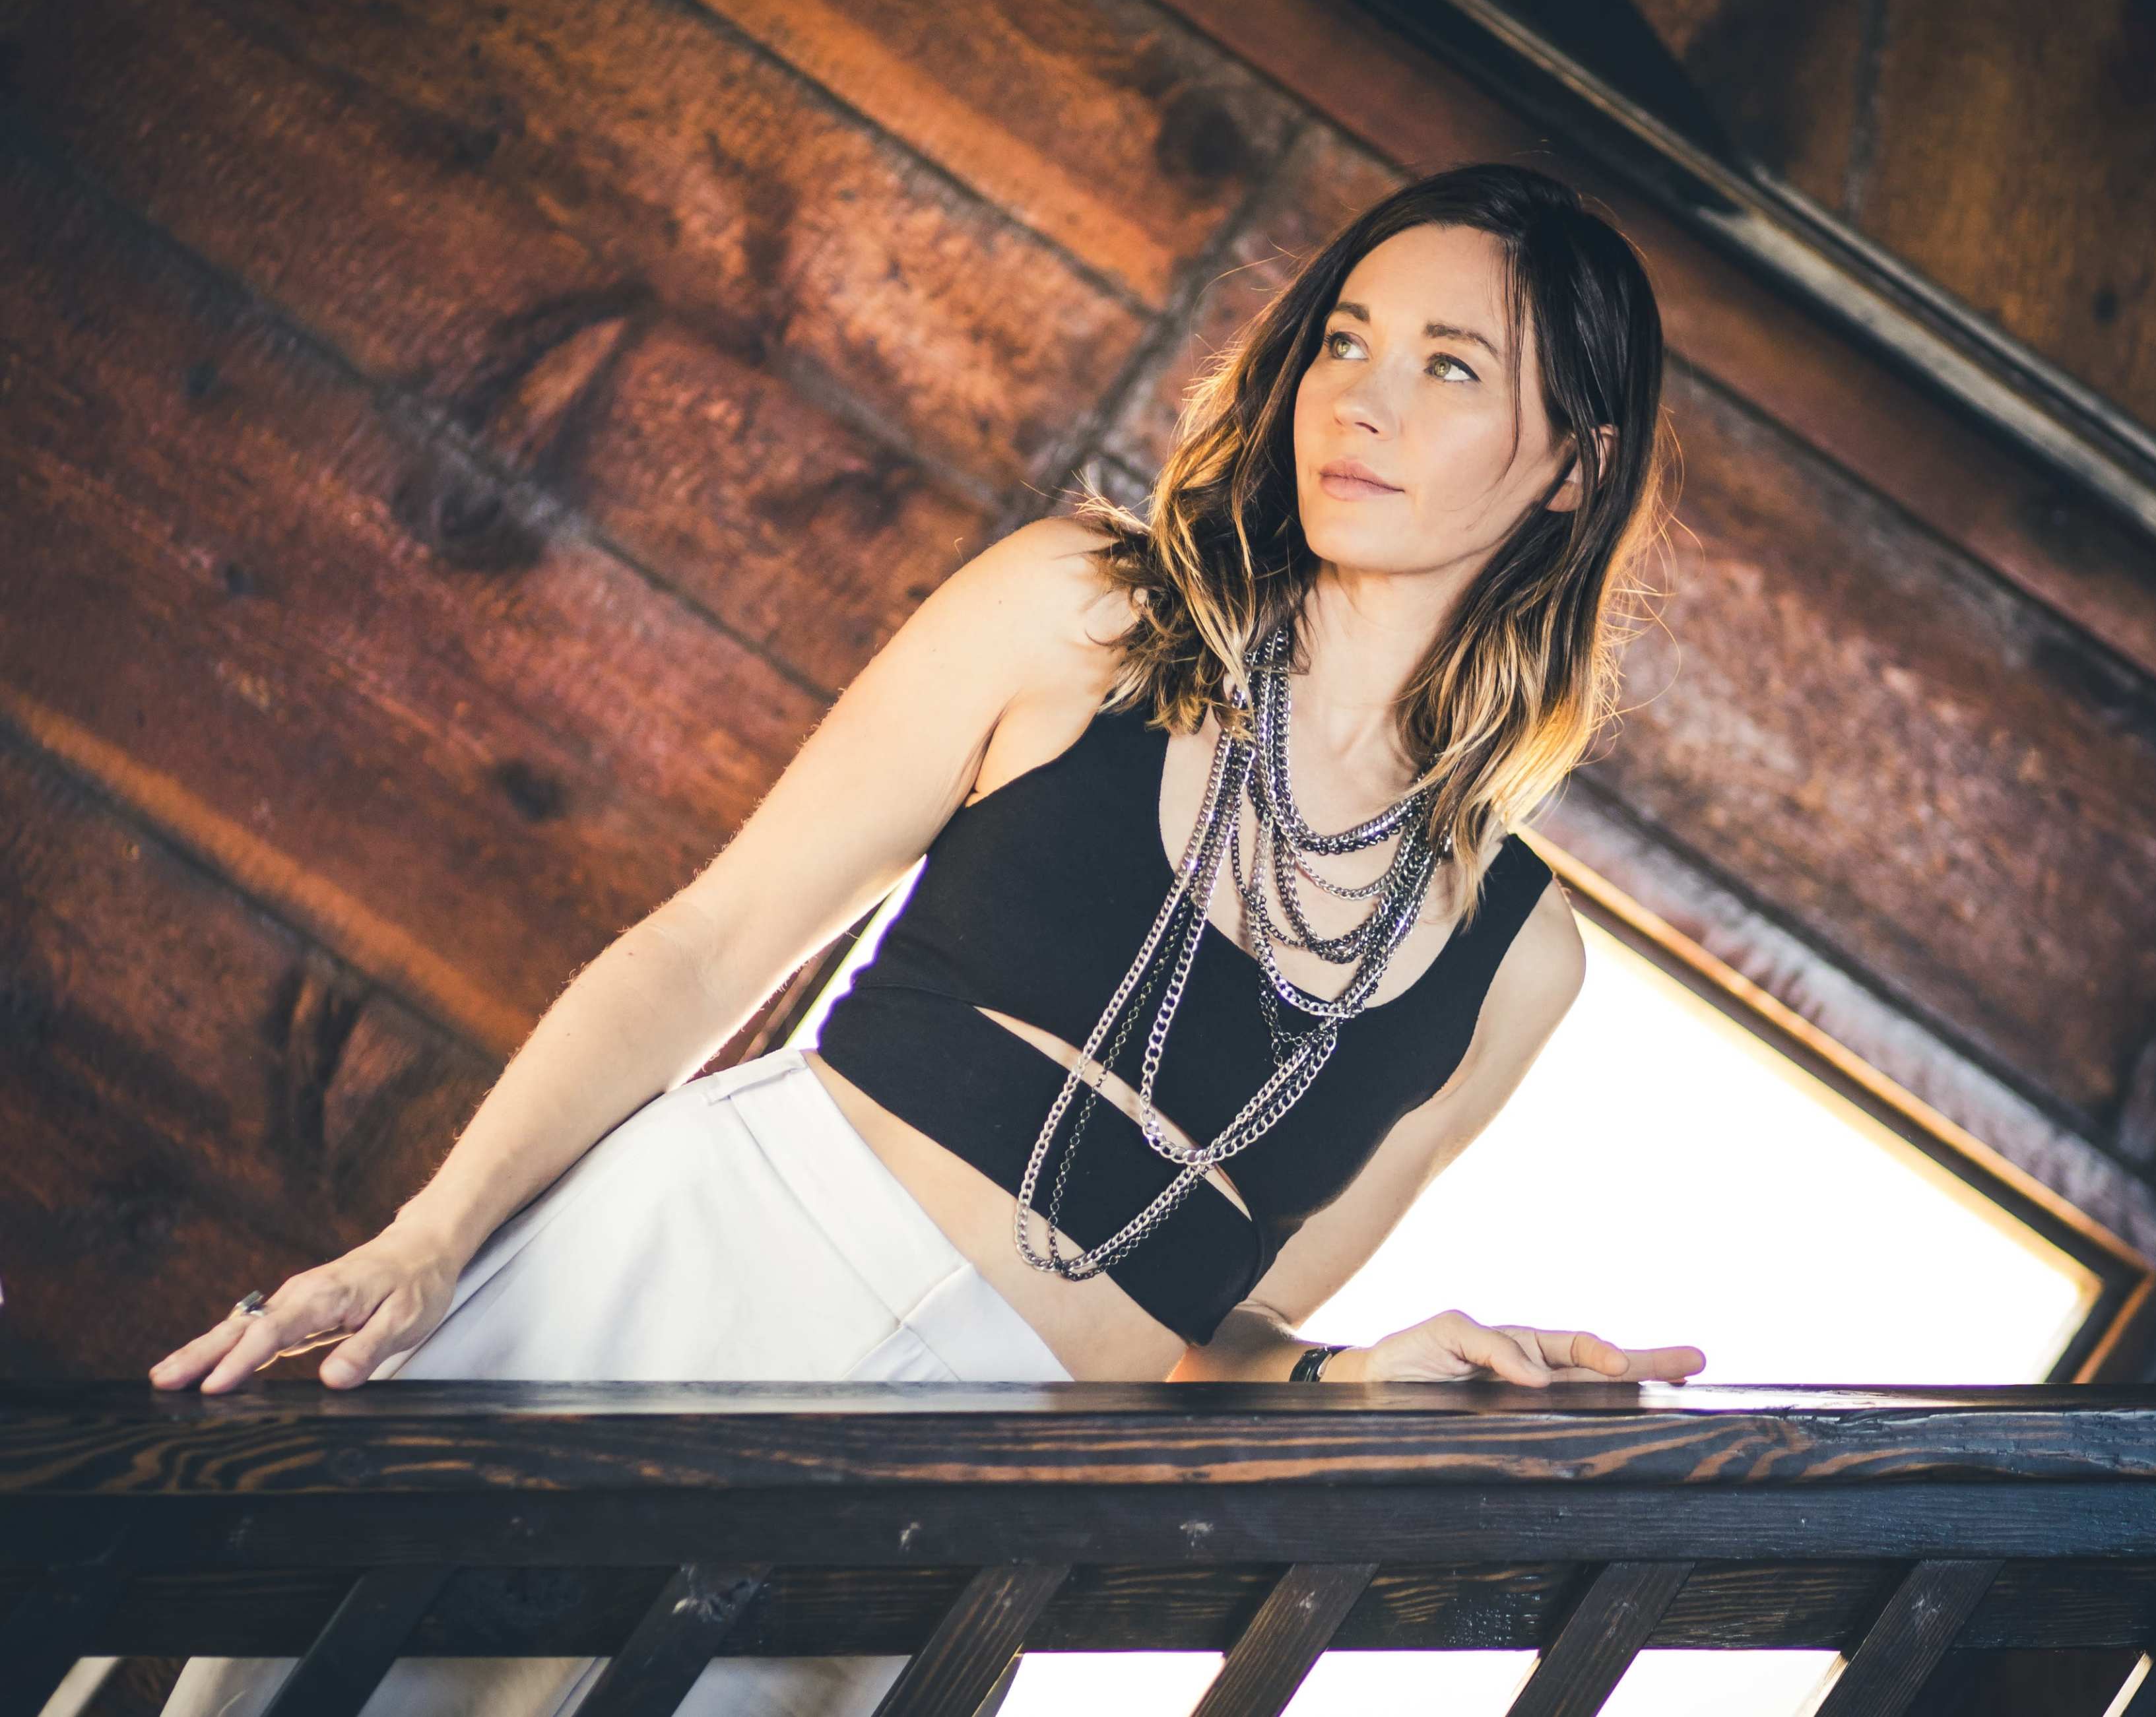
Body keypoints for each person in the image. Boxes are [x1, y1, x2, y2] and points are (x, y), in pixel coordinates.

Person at [147, 161, 1708, 1714]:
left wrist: (1349, 1380)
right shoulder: (1081, 611)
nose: (1361, 402)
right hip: (685, 1289)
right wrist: (429, 1244)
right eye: (1346, 341)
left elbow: (1213, 1343)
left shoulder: (1519, 964)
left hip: (955, 1502)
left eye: (1450, 368)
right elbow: (710, 946)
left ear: (1576, 465)